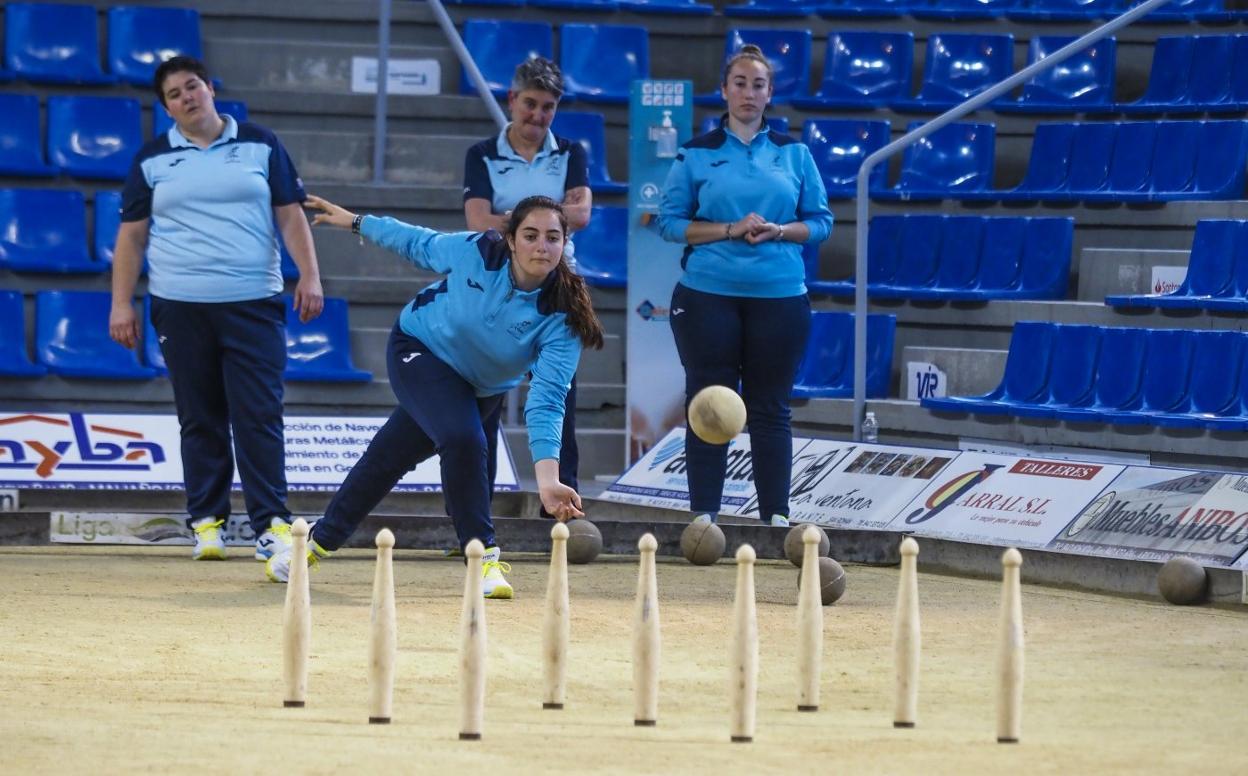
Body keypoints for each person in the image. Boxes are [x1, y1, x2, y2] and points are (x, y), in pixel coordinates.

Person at [265, 194, 603, 599]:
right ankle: (483, 559)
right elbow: (416, 242)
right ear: (511, 239)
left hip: (480, 387)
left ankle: (314, 545)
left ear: (564, 244)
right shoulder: (477, 251)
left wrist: (549, 481)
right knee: (464, 438)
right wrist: (357, 222)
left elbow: (548, 400)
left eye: (552, 238)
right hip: (420, 350)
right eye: (530, 235)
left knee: (386, 459)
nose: (541, 247)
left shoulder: (565, 315)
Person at [109, 56, 324, 563]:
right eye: (175, 94)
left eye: (193, 86)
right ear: (166, 107)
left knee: (260, 416)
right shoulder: (151, 159)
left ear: (210, 88)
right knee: (199, 417)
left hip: (254, 302)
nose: (187, 97)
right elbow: (131, 239)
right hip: (180, 307)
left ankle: (270, 523)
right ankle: (207, 522)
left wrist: (310, 276)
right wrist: (121, 303)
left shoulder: (261, 143)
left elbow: (291, 218)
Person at [654, 44, 833, 529]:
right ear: (724, 90)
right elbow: (669, 224)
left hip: (780, 296)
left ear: (770, 93)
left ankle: (775, 518)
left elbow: (821, 222)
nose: (748, 93)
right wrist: (730, 229)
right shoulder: (695, 153)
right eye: (740, 83)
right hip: (707, 294)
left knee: (770, 408)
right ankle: (704, 518)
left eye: (758, 84)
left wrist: (778, 230)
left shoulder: (795, 153)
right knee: (708, 403)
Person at [463, 57, 590, 513]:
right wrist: (550, 216)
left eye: (548, 107)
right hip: (498, 285)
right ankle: (475, 514)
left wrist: (516, 221)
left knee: (559, 402)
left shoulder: (572, 152)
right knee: (484, 402)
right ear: (511, 100)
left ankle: (560, 513)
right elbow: (476, 221)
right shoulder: (481, 154)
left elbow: (583, 216)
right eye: (531, 104)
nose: (538, 116)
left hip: (559, 290)